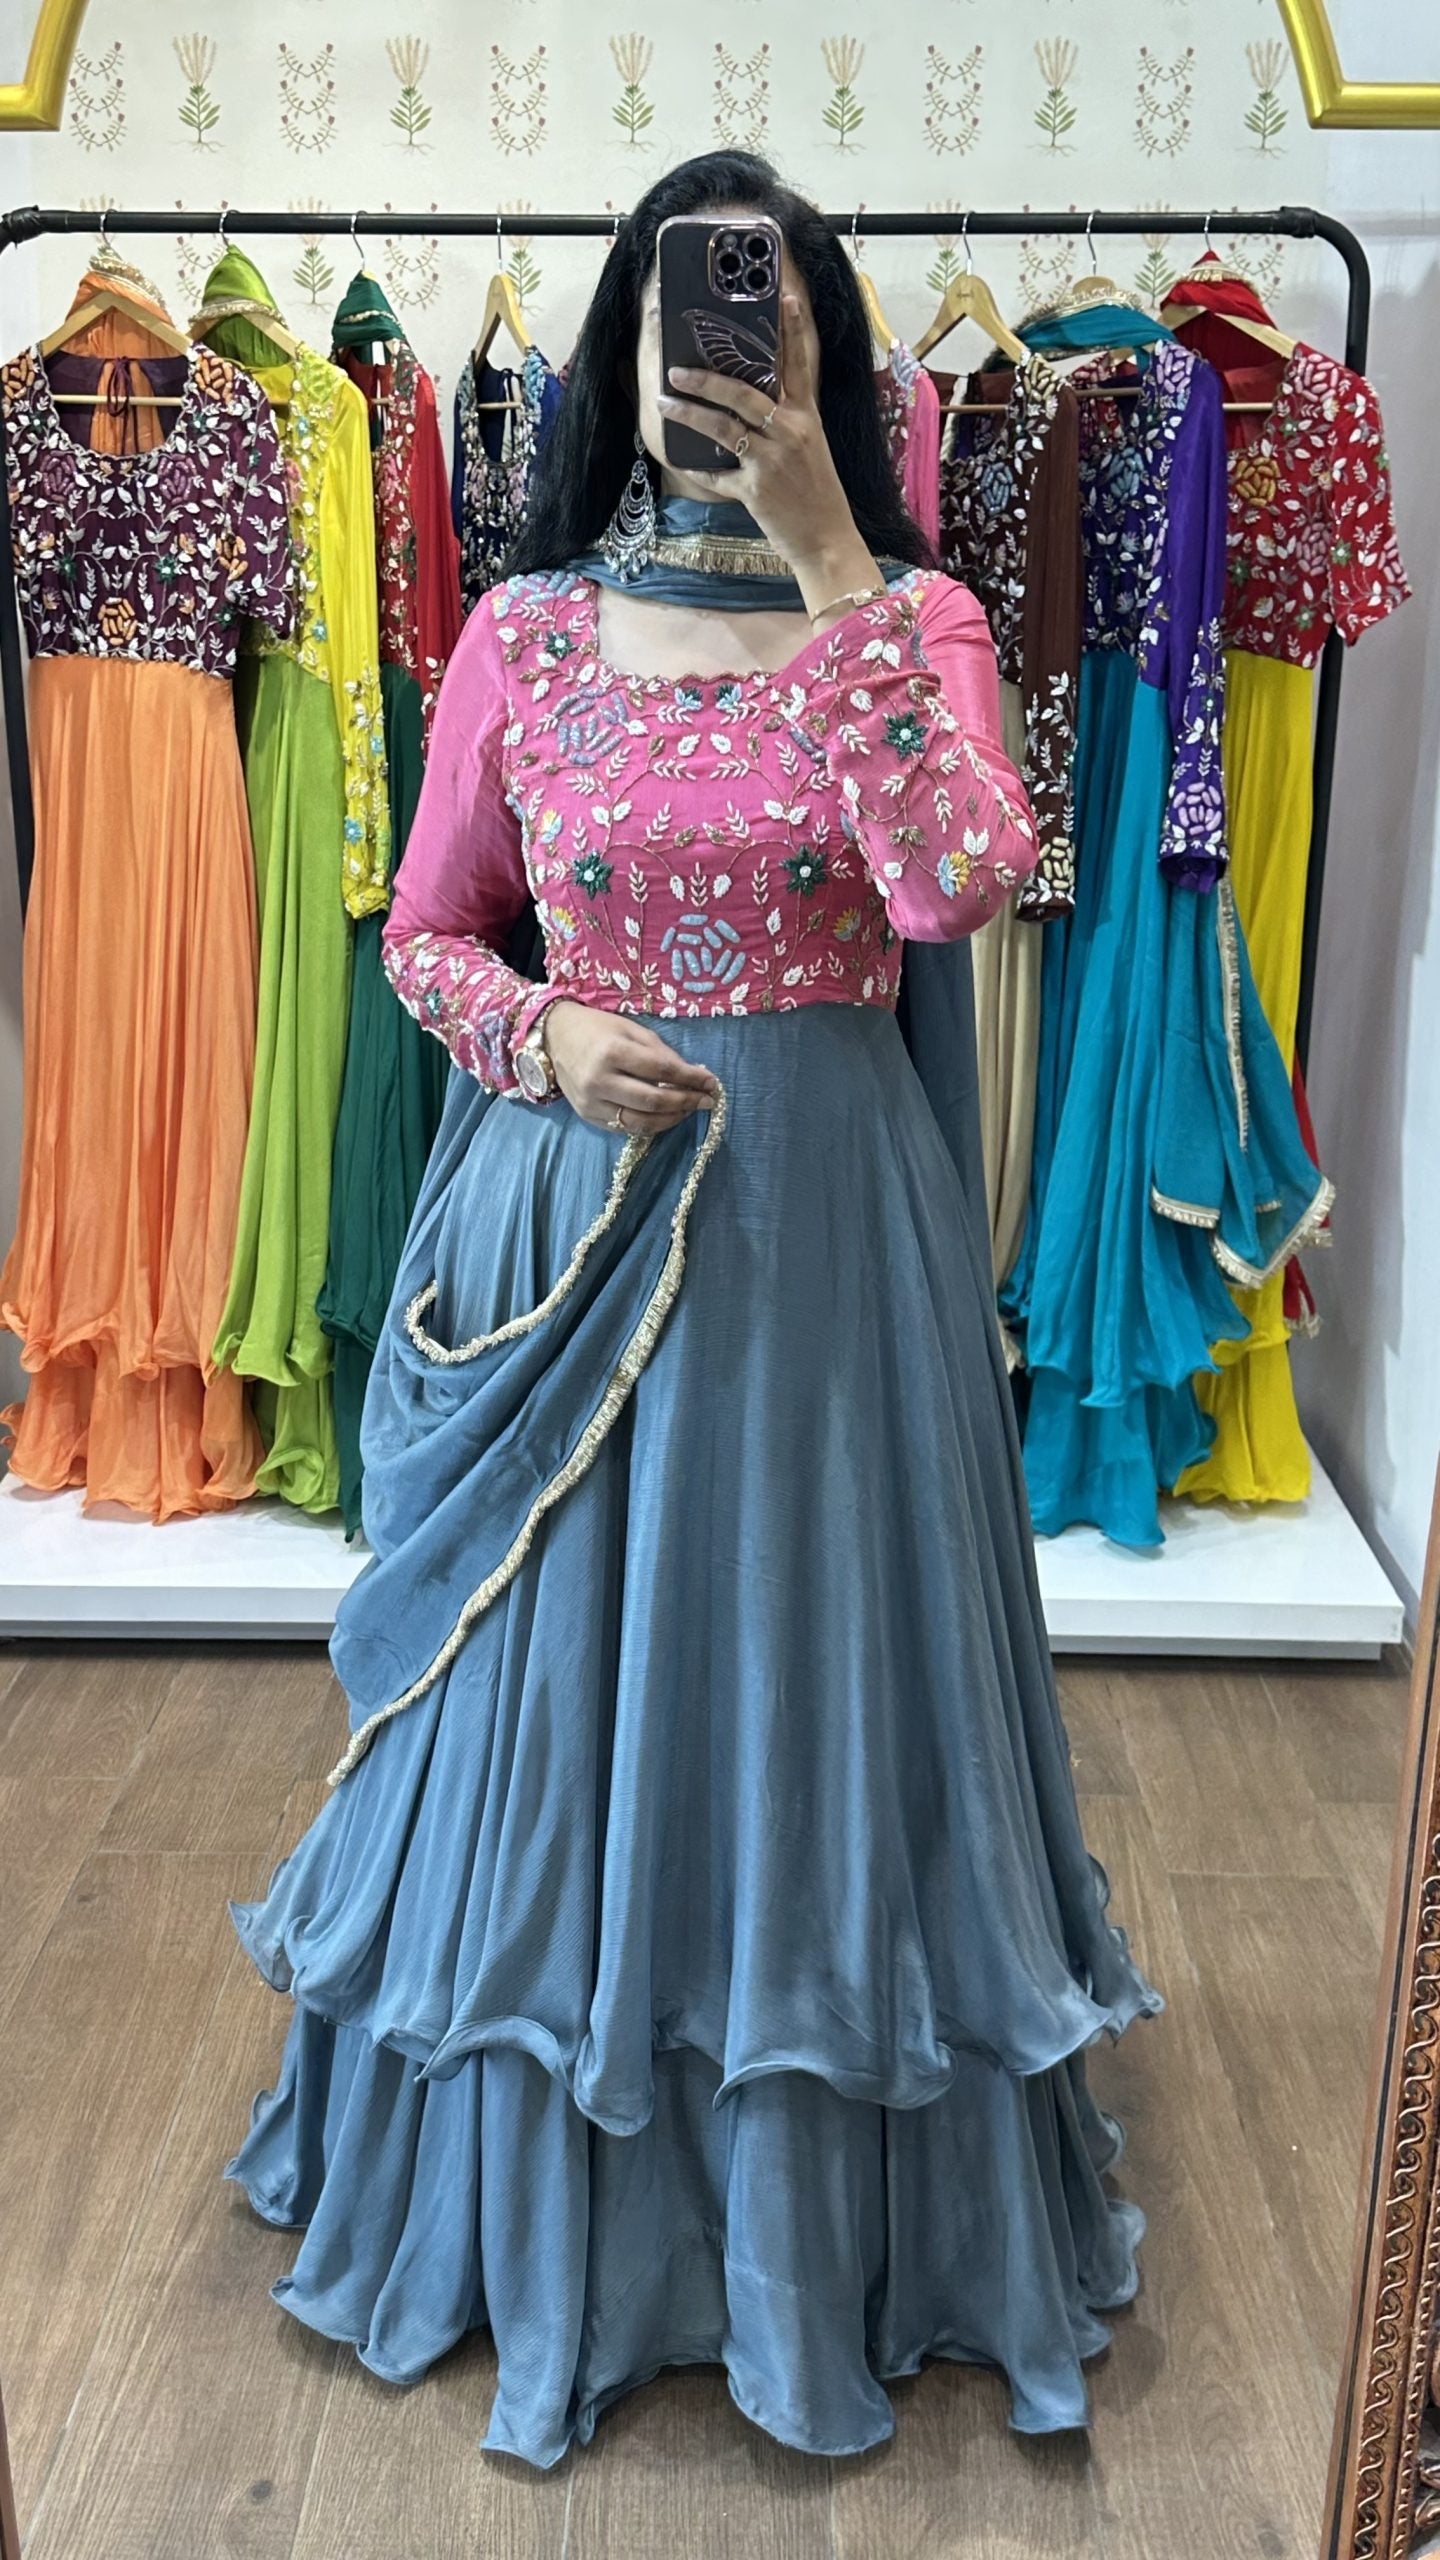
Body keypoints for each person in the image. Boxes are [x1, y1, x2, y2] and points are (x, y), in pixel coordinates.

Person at [224, 151, 1163, 2470]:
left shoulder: (919, 619)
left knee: (812, 1711)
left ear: (824, 356)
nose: (714, 352)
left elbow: (962, 883)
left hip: (829, 1257)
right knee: (559, 1747)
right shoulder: (527, 633)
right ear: (619, 355)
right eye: (676, 312)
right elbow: (428, 934)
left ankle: (828, 2222)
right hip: (577, 1240)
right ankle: (563, 2209)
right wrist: (536, 1033)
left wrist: (841, 562)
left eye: (762, 315)